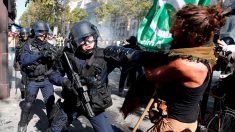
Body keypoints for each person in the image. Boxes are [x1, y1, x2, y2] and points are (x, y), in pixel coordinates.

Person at [118, 4, 227, 132]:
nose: (171, 32)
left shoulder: (184, 64)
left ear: (191, 35)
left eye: (176, 29)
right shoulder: (205, 53)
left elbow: (151, 75)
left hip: (173, 126)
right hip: (185, 121)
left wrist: (139, 55)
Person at [46, 20, 142, 132]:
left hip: (94, 106)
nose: (89, 44)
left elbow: (127, 56)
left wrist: (148, 58)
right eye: (84, 41)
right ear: (76, 42)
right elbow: (53, 74)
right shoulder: (67, 56)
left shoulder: (104, 55)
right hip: (72, 102)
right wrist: (65, 82)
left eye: (91, 39)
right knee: (55, 129)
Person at [17, 20, 58, 132]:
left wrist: (54, 57)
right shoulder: (27, 45)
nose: (43, 35)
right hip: (32, 80)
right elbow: (24, 60)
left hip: (46, 80)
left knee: (50, 104)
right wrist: (40, 54)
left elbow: (56, 64)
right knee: (28, 104)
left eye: (45, 32)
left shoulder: (49, 46)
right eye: (40, 32)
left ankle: (53, 126)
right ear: (35, 32)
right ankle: (22, 124)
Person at [213, 36, 235, 110]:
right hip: (225, 82)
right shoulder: (223, 55)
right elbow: (216, 66)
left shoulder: (230, 51)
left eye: (220, 46)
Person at [14, 27, 30, 99]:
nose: (25, 35)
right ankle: (23, 91)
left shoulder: (31, 42)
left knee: (29, 80)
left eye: (26, 34)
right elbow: (16, 55)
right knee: (24, 79)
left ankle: (28, 94)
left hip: (31, 64)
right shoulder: (19, 43)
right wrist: (16, 63)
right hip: (23, 64)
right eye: (23, 34)